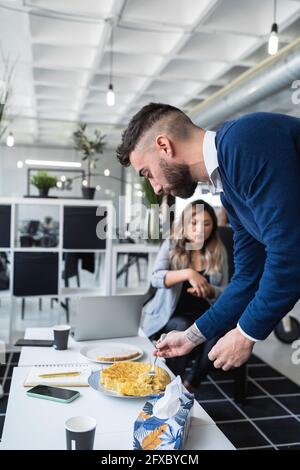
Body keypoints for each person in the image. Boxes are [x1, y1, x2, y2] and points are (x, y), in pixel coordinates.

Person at [116, 103, 300, 371]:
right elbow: (248, 278)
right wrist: (192, 336)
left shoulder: (245, 140)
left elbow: (289, 252)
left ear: (164, 146)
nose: (155, 188)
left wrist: (245, 334)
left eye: (148, 174)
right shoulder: (230, 194)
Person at [142, 199, 228, 391]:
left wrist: (210, 290)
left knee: (215, 326)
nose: (200, 229)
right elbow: (156, 278)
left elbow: (226, 291)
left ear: (213, 226)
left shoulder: (217, 249)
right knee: (183, 326)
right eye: (194, 223)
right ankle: (169, 383)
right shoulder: (172, 244)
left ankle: (190, 384)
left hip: (203, 313)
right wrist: (189, 273)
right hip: (170, 315)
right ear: (185, 224)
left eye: (206, 224)